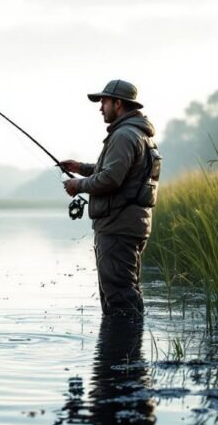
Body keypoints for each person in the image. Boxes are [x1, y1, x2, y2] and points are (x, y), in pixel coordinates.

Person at [59, 79, 158, 317]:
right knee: (125, 291)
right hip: (128, 224)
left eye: (103, 101)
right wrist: (80, 167)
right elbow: (117, 171)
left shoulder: (124, 135)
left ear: (118, 103)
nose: (100, 107)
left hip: (118, 226)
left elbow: (111, 179)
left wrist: (77, 185)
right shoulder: (137, 133)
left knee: (119, 297)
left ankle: (123, 351)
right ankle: (127, 351)